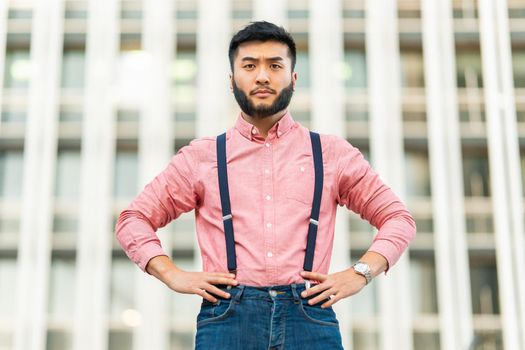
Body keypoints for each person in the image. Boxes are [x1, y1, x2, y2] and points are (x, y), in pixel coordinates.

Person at [115, 21, 416, 350]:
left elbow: (398, 219)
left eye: (275, 65)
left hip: (310, 318)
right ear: (232, 81)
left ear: (293, 78)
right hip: (228, 320)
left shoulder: (331, 153)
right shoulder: (201, 157)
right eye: (249, 66)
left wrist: (360, 272)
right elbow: (134, 220)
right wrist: (172, 274)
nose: (262, 76)